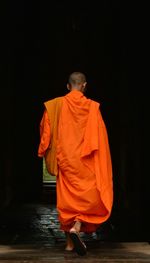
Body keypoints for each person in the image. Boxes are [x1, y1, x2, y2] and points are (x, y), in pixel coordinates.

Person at [38, 72, 113, 256]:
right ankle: (77, 225)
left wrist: (43, 152)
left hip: (66, 163)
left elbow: (45, 134)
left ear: (68, 86)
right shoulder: (93, 107)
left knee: (67, 203)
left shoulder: (54, 106)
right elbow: (101, 140)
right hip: (86, 164)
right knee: (88, 200)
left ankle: (69, 244)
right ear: (85, 85)